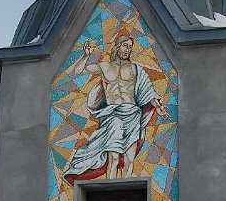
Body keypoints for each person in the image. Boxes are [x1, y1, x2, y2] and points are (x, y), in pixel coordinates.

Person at [65, 34, 167, 182]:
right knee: (112, 158)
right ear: (117, 46)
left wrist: (158, 107)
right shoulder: (105, 66)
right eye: (125, 46)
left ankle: (126, 195)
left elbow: (147, 90)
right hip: (112, 115)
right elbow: (78, 71)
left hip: (133, 114)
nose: (128, 50)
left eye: (131, 47)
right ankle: (110, 193)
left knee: (129, 159)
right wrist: (86, 55)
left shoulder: (135, 68)